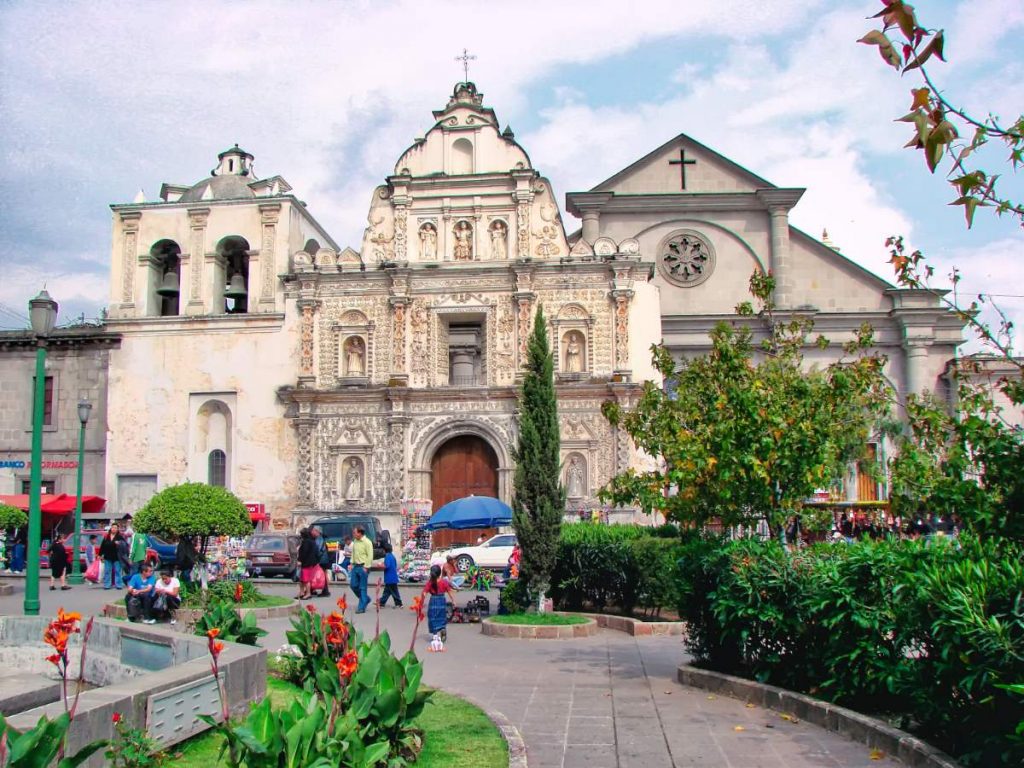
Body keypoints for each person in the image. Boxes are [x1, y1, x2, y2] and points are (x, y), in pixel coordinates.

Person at [423, 564, 456, 642]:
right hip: (441, 600)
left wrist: (421, 602)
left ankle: (435, 635)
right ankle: (442, 628)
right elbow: (449, 591)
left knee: (432, 617)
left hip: (433, 601)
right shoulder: (444, 582)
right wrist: (453, 600)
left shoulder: (430, 582)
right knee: (441, 616)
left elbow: (424, 592)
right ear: (440, 573)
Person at [350, 525, 373, 613]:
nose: (353, 534)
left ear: (360, 533)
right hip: (356, 566)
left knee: (362, 588)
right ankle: (365, 599)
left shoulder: (367, 542)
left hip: (363, 567)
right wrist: (351, 563)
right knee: (353, 585)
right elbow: (353, 552)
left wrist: (366, 567)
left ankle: (361, 607)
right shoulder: (355, 541)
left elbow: (370, 555)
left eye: (354, 532)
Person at [297, 528, 319, 600]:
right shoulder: (312, 541)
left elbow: (304, 553)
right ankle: (302, 593)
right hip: (310, 563)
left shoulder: (306, 542)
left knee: (306, 580)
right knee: (302, 579)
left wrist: (300, 560)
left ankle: (308, 593)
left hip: (306, 563)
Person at [378, 543, 403, 608]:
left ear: (384, 550)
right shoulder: (392, 556)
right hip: (393, 577)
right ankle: (381, 602)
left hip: (390, 577)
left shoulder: (387, 556)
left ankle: (399, 603)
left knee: (393, 592)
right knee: (387, 591)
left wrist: (380, 565)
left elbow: (387, 566)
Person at [100, 524, 124, 590]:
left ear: (117, 529)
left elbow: (124, 545)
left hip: (117, 557)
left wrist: (119, 543)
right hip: (107, 556)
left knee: (117, 571)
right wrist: (100, 555)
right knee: (107, 571)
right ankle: (107, 585)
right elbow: (102, 546)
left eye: (115, 528)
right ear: (111, 528)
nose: (114, 529)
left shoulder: (119, 537)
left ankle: (118, 585)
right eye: (113, 527)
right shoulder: (106, 536)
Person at [311, 526, 331, 598]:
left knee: (322, 575)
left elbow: (318, 550)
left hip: (321, 560)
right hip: (323, 559)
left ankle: (325, 591)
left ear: (317, 532)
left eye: (313, 530)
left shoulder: (319, 539)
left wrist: (314, 558)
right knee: (321, 575)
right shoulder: (319, 538)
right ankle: (314, 589)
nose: (312, 532)